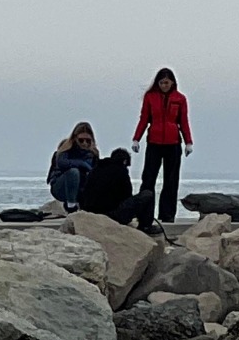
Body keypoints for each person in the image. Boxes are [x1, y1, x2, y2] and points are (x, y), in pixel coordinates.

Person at [132, 67, 193, 225]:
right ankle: (145, 215)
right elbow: (144, 118)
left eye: (166, 82)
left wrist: (188, 142)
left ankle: (167, 215)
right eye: (161, 82)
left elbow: (183, 121)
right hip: (154, 142)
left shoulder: (180, 99)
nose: (164, 85)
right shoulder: (150, 97)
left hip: (173, 143)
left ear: (172, 82)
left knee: (171, 181)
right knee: (148, 179)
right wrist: (136, 138)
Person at [81, 148, 158, 232]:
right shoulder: (121, 170)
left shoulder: (95, 169)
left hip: (90, 213)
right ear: (124, 161)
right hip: (111, 215)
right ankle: (145, 226)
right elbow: (126, 195)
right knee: (147, 194)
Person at [47, 123, 98, 213]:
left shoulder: (93, 153)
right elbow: (62, 163)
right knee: (73, 172)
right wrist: (82, 164)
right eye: (81, 140)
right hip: (61, 185)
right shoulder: (65, 149)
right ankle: (71, 206)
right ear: (75, 139)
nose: (85, 143)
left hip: (81, 187)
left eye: (88, 141)